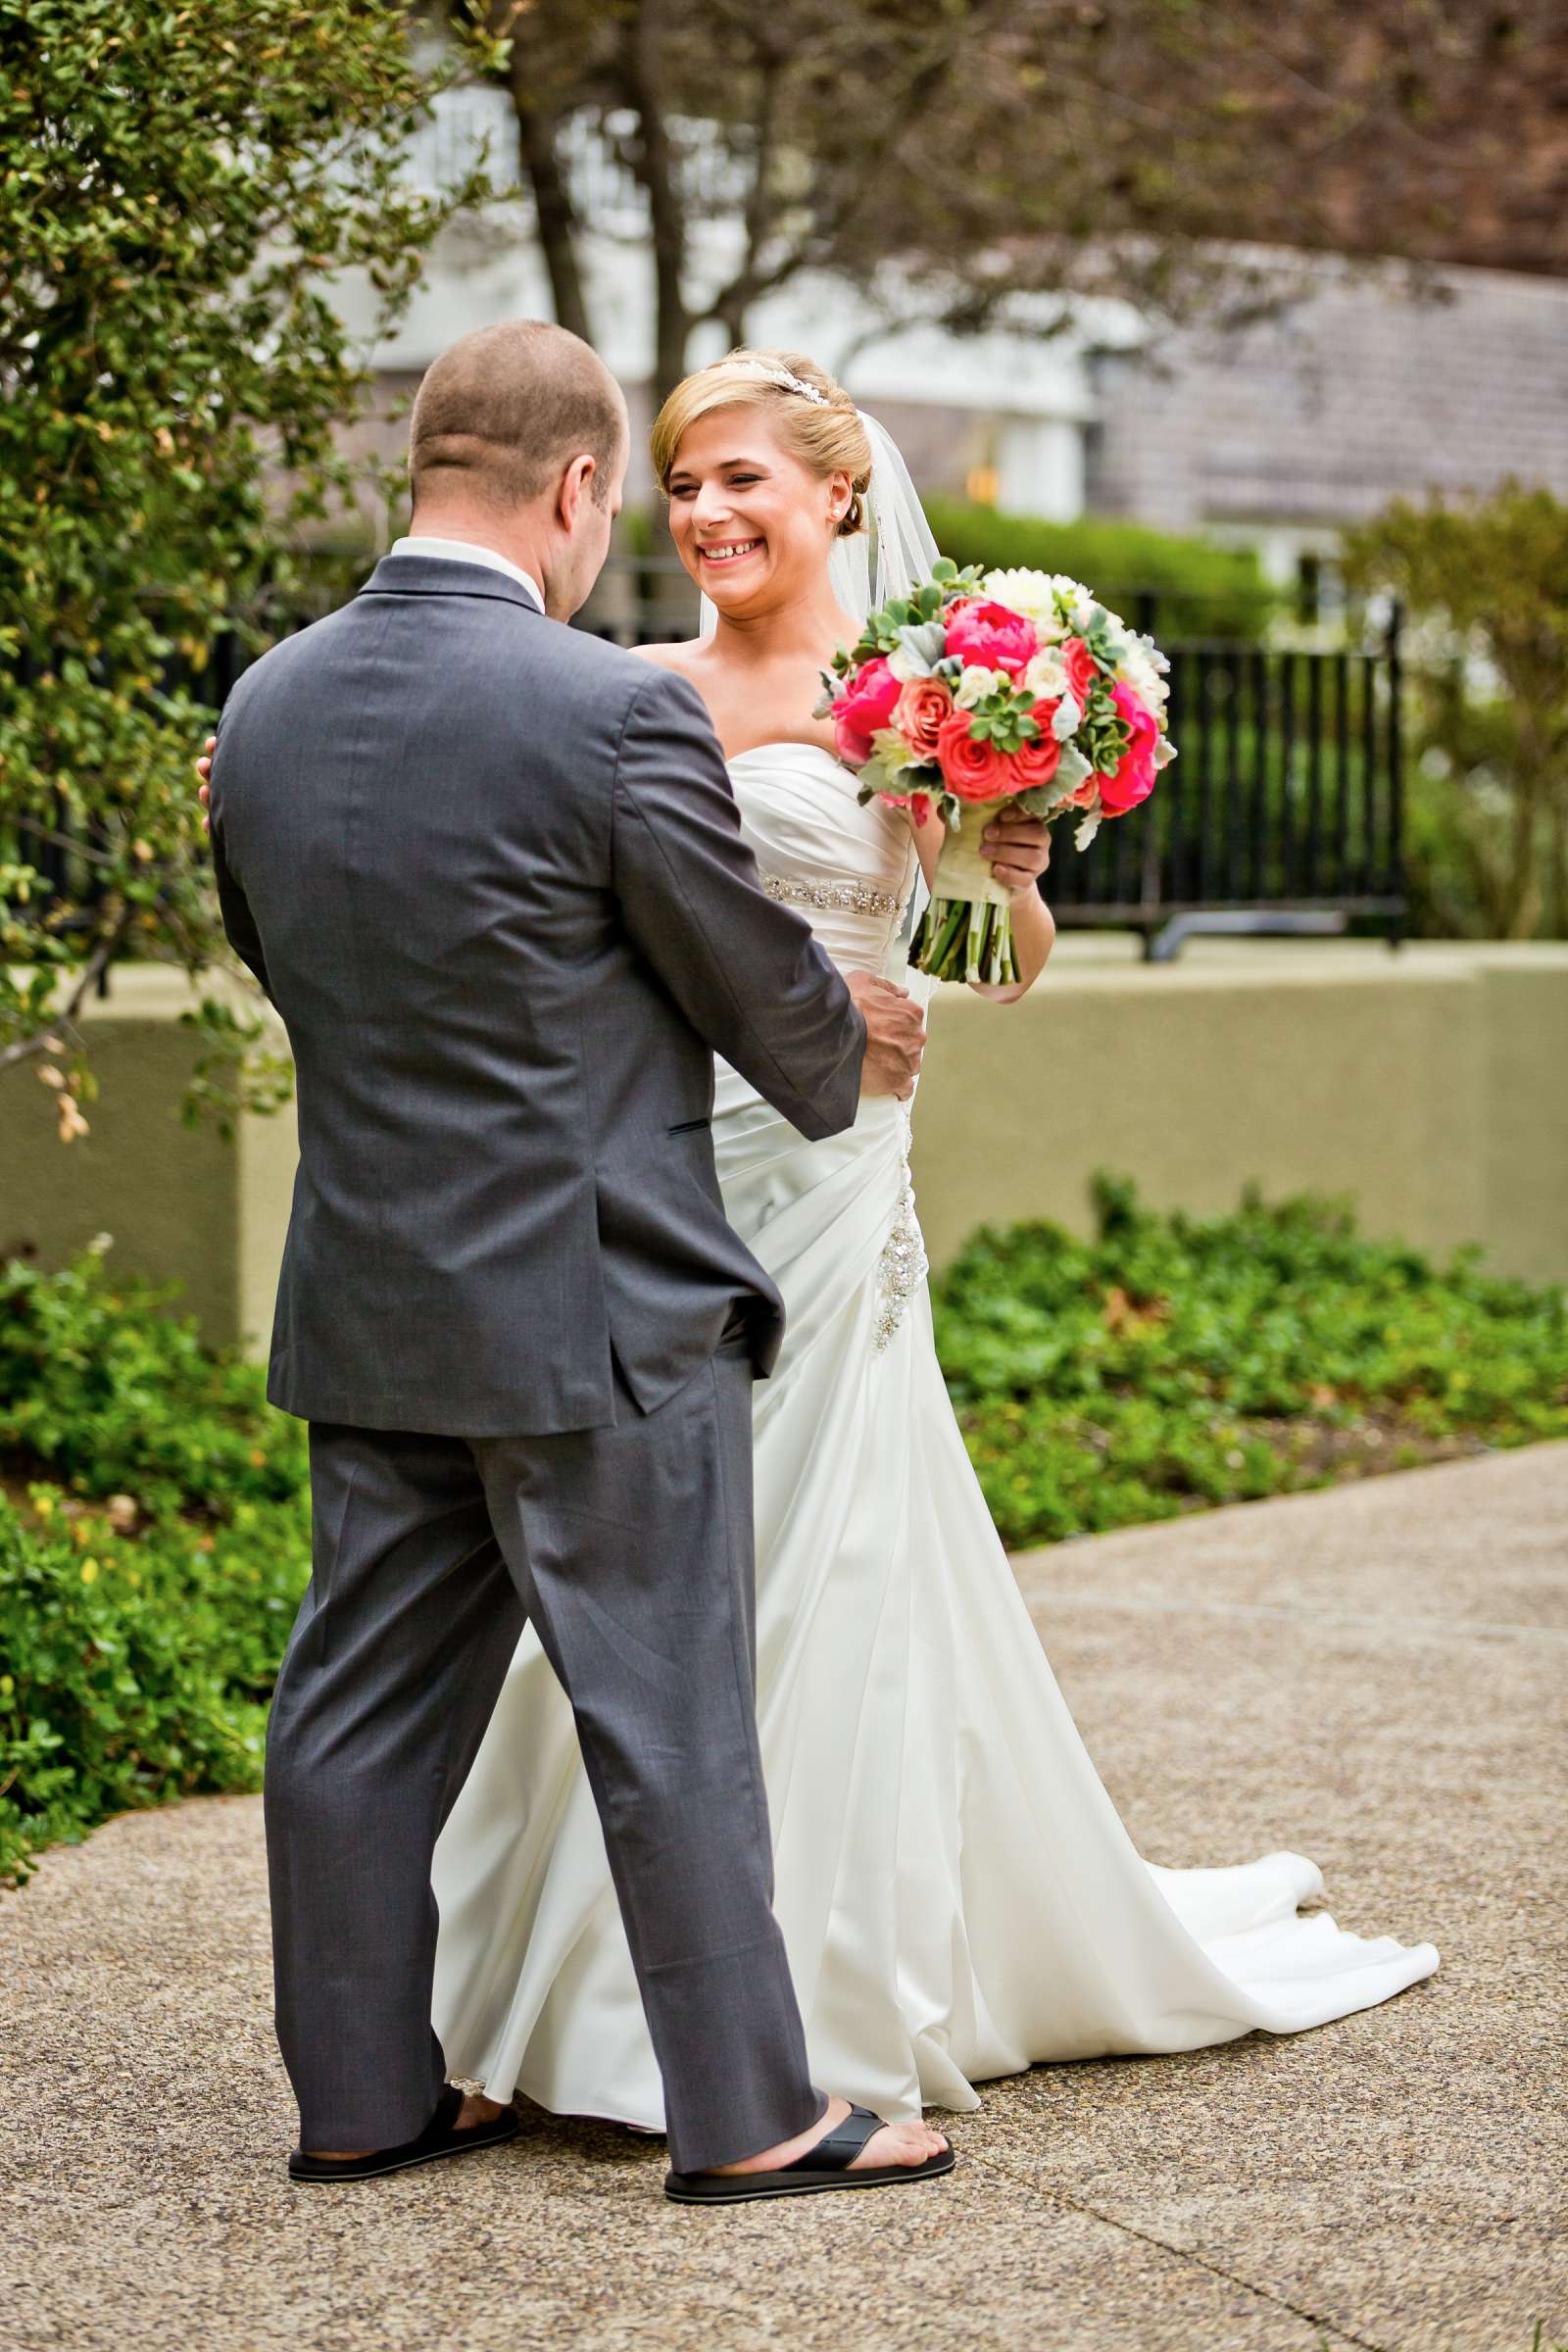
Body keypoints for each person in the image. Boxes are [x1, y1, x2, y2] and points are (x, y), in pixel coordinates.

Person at [421, 349, 1440, 2137]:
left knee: (824, 1566)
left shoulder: (923, 714)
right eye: (683, 484)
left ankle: (789, 1994)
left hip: (835, 1187)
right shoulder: (622, 693)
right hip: (658, 1181)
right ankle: (566, 1979)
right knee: (627, 1577)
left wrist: (1008, 872)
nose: (711, 515)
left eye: (745, 479)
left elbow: (1002, 968)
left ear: (836, 495)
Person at [204, 319, 955, 2205]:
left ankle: (364, 2099)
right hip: (594, 1302)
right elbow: (723, 951)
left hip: (374, 1290)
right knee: (664, 1709)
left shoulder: (268, 705)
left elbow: (288, 955)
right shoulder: (602, 706)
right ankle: (755, 2117)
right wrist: (835, 1028)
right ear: (575, 487)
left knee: (354, 1707)